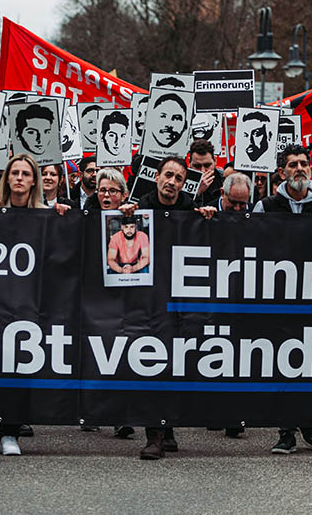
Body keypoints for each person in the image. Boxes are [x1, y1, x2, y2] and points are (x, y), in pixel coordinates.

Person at [253, 144, 312, 453]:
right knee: (283, 363)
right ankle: (286, 431)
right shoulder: (265, 207)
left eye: (303, 164)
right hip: (279, 299)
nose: (299, 169)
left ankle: (308, 421)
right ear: (281, 172)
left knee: (310, 360)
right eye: (292, 164)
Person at [118, 156, 217, 460]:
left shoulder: (190, 209)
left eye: (178, 178)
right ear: (157, 177)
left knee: (175, 363)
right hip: (148, 299)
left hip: (182, 298)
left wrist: (210, 219)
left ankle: (168, 427)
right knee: (151, 363)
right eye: (168, 175)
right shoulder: (141, 208)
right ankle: (154, 435)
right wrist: (121, 218)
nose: (172, 182)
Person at [0, 154, 71, 457]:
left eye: (25, 174)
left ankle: (10, 432)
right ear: (7, 178)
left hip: (29, 301)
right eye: (14, 172)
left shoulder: (45, 215)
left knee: (20, 367)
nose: (19, 178)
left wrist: (63, 219)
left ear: (34, 181)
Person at [188, 139, 222, 207]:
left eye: (207, 165)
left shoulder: (223, 179)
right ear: (189, 163)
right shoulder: (182, 180)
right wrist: (197, 192)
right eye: (197, 166)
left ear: (215, 161)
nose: (203, 171)